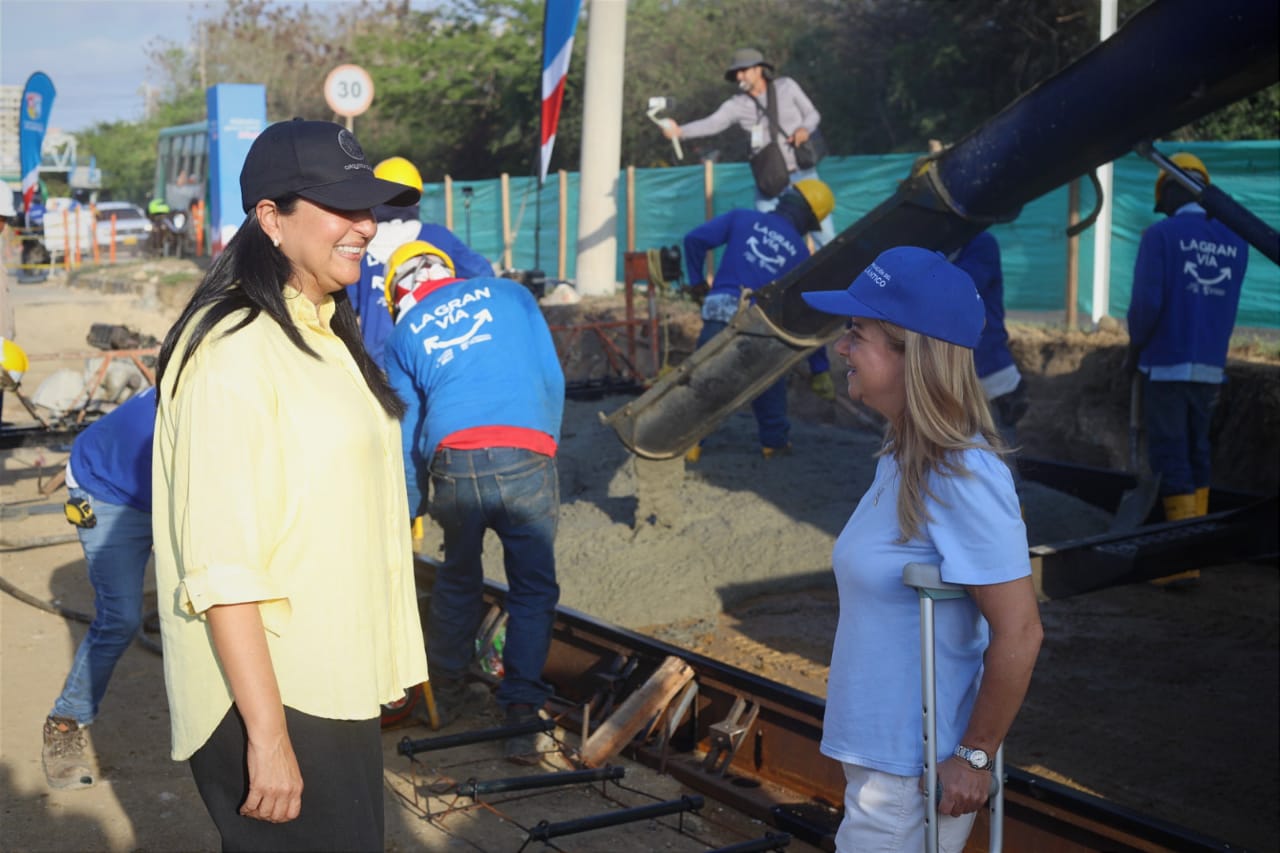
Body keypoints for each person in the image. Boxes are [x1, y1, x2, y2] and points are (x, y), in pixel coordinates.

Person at [152, 118, 429, 850]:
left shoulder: (322, 328)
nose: (366, 225)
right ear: (270, 217)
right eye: (341, 205)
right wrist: (267, 734)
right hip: (277, 688)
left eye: (368, 206)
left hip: (328, 678)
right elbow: (222, 562)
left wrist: (380, 649)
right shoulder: (233, 350)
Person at [801, 246, 1043, 853]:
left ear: (914, 354)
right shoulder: (902, 458)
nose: (842, 348)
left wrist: (974, 757)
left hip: (914, 775)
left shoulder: (963, 472)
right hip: (884, 762)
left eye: (857, 333)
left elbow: (1019, 630)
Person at [381, 239, 564, 764]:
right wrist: (542, 444)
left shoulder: (403, 333)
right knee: (532, 588)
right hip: (527, 451)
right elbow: (550, 377)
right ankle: (521, 720)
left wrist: (411, 506)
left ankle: (446, 700)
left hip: (453, 462)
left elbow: (409, 432)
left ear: (400, 292)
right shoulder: (510, 294)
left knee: (458, 578)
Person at [42, 387, 156, 790]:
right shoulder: (203, 395)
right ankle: (64, 720)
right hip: (107, 490)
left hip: (162, 489)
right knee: (120, 618)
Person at [1126, 152, 1249, 521]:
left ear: (1168, 193)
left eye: (1161, 203)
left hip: (1165, 366)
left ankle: (1180, 563)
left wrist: (1134, 352)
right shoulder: (1238, 243)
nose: (1161, 210)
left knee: (1170, 454)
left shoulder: (1160, 235)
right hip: (1210, 368)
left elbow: (1146, 306)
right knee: (1198, 452)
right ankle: (1196, 540)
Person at [682, 179, 835, 460]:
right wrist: (819, 368)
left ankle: (689, 445)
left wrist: (696, 282)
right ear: (809, 221)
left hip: (720, 309)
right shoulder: (802, 255)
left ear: (785, 200)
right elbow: (809, 315)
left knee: (704, 380)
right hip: (759, 323)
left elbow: (694, 240)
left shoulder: (742, 217)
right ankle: (773, 444)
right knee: (768, 382)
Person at [663, 47, 835, 246]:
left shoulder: (787, 87)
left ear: (758, 70)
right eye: (736, 73)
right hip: (769, 182)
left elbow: (813, 114)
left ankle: (842, 276)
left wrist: (804, 129)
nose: (739, 76)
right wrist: (680, 132)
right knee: (768, 239)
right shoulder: (737, 104)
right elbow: (713, 123)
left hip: (802, 176)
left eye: (743, 70)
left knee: (825, 237)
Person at [345, 155, 493, 368]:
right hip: (436, 356)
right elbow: (483, 273)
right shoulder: (438, 237)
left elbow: (347, 307)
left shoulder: (361, 245)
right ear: (416, 199)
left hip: (380, 364)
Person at [950, 231, 1028, 457]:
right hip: (956, 378)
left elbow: (959, 290)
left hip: (988, 377)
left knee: (999, 467)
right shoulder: (938, 247)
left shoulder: (980, 244)